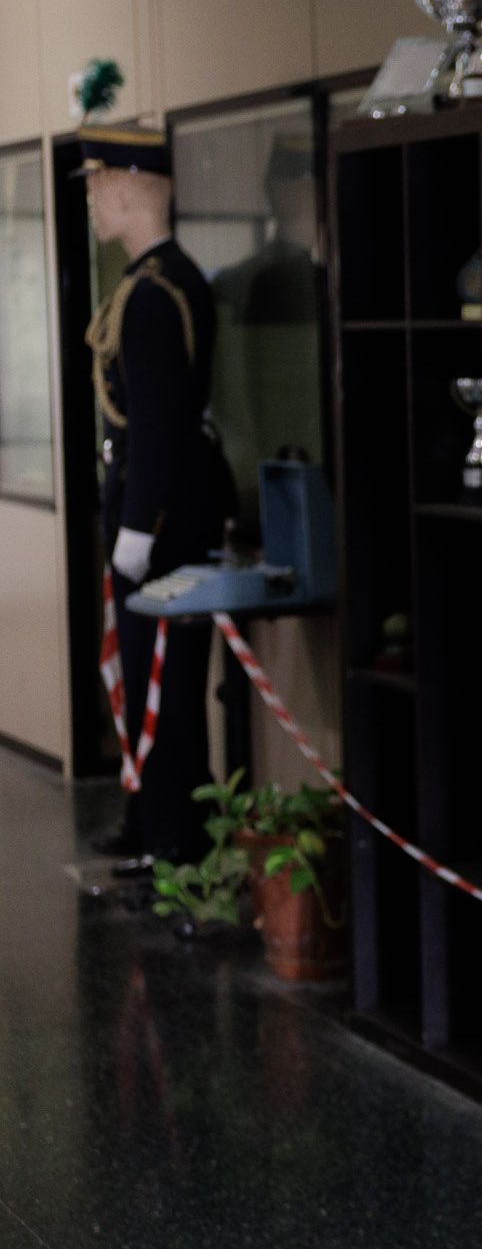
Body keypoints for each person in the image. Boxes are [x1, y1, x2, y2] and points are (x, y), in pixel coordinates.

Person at [75, 127, 232, 875]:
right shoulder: (159, 280)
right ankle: (151, 819)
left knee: (160, 685)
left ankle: (174, 841)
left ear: (133, 187)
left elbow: (162, 430)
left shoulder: (153, 294)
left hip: (161, 522)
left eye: (99, 185)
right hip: (154, 510)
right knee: (142, 681)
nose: (93, 200)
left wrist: (137, 531)